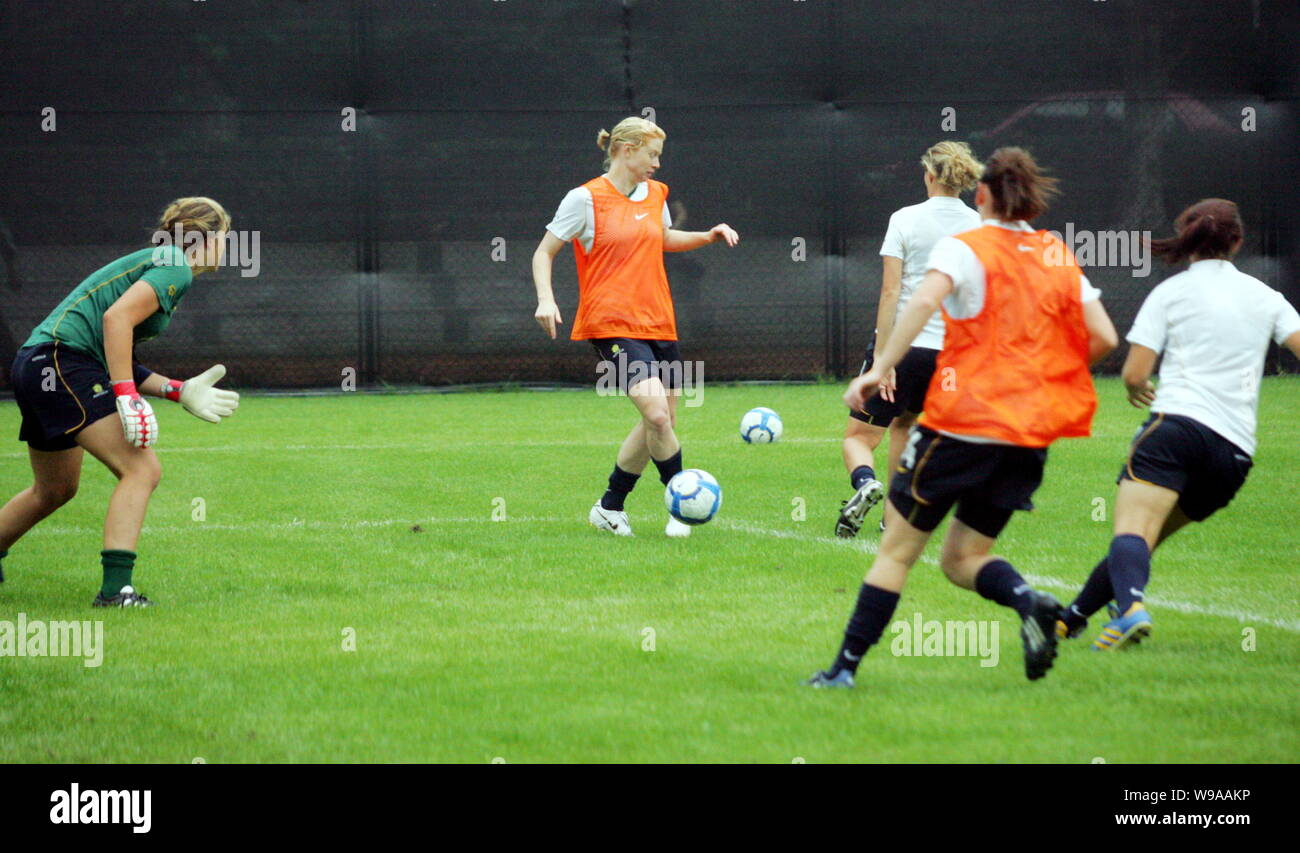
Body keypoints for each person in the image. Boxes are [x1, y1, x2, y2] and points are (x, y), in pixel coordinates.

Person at [806, 147, 1118, 687]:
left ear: (982, 195)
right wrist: (1046, 377)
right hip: (1027, 435)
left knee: (897, 553)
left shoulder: (964, 247)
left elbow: (921, 303)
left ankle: (842, 670)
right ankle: (1030, 602)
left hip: (962, 426)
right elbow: (1105, 337)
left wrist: (877, 367)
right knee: (964, 558)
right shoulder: (1054, 252)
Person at [1058, 198, 1300, 650]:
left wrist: (1134, 389)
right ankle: (1070, 618)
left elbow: (1134, 372)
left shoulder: (1171, 293)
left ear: (1188, 242)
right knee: (1141, 543)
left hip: (1175, 432)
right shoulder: (1267, 296)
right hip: (1233, 455)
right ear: (1239, 241)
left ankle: (1130, 610)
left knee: (1132, 533)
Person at [0, 198, 241, 606]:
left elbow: (116, 348)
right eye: (224, 237)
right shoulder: (174, 265)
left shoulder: (162, 262)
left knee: (55, 489)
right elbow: (116, 320)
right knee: (142, 469)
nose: (227, 246)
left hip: (41, 363)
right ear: (205, 236)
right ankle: (116, 592)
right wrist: (125, 394)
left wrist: (177, 390)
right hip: (61, 362)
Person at [531, 116, 738, 538]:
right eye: (652, 154)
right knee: (657, 415)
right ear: (627, 150)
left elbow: (662, 238)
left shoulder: (655, 193)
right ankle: (682, 505)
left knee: (663, 422)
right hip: (611, 324)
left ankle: (610, 507)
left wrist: (708, 235)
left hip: (660, 322)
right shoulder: (585, 199)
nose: (657, 164)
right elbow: (543, 252)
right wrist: (546, 299)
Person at [837, 141, 982, 538]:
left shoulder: (905, 218)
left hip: (904, 347)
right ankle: (894, 519)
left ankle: (866, 484)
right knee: (907, 424)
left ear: (930, 176)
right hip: (950, 353)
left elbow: (891, 292)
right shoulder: (979, 225)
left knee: (858, 438)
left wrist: (883, 360)